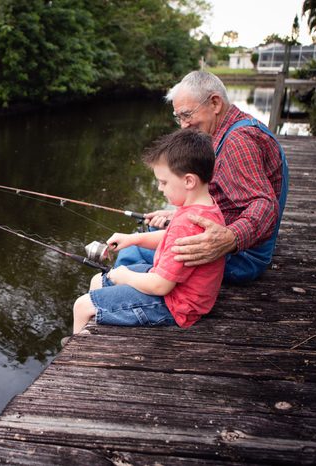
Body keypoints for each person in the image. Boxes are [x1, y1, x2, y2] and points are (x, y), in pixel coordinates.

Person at [115, 71, 289, 284]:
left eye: (187, 115)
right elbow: (228, 198)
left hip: (244, 258)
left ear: (215, 103)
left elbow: (264, 204)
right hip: (241, 246)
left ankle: (126, 302)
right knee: (157, 229)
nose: (183, 125)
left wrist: (229, 238)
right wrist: (181, 214)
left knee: (133, 250)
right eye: (179, 117)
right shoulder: (231, 128)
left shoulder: (238, 141)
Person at [70, 128, 225, 336]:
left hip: (175, 306)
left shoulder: (187, 222)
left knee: (81, 307)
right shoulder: (203, 209)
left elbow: (160, 286)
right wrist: (134, 239)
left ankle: (76, 356)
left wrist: (125, 276)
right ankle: (103, 317)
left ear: (189, 181)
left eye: (163, 182)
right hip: (179, 292)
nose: (160, 188)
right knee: (98, 280)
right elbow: (172, 240)